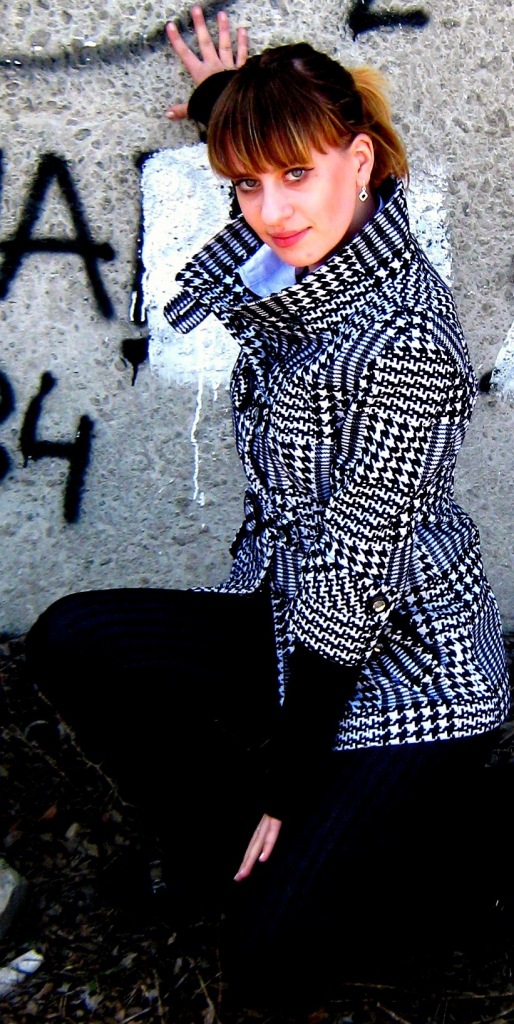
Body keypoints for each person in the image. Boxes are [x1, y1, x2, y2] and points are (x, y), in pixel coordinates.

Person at [25, 7, 510, 1007]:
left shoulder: (404, 345)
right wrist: (231, 112)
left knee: (265, 960)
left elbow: (356, 582)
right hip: (292, 610)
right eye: (247, 182)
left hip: (405, 662)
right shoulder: (310, 256)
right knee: (76, 641)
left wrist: (289, 789)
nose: (269, 209)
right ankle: (229, 850)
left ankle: (452, 866)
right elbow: (234, 271)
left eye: (295, 173)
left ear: (360, 161)